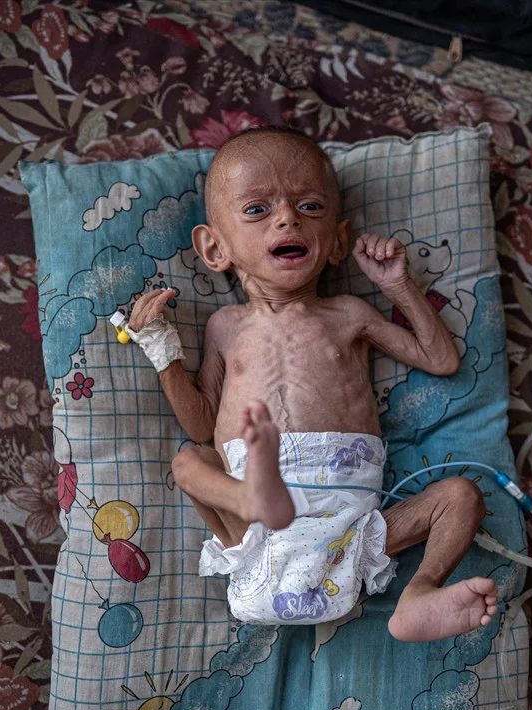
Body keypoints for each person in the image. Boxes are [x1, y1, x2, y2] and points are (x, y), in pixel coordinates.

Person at [125, 127, 496, 642]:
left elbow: (441, 359)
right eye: (257, 210)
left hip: (350, 530)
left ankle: (419, 593)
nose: (287, 218)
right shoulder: (225, 327)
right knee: (190, 461)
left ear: (338, 241)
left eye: (310, 207)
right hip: (252, 530)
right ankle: (250, 498)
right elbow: (202, 424)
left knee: (459, 497)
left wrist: (397, 286)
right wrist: (163, 354)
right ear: (215, 248)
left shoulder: (348, 314)